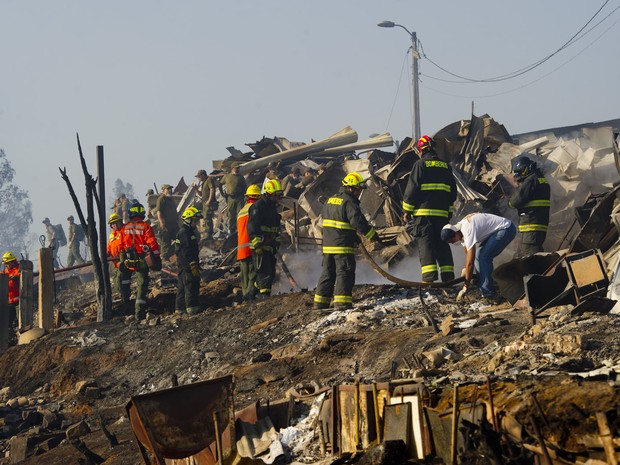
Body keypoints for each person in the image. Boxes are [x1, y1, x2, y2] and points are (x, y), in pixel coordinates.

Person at [314, 172, 382, 310]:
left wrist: (352, 235)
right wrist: (373, 236)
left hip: (327, 246)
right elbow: (359, 222)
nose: (359, 193)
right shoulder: (349, 202)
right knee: (345, 273)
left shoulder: (330, 200)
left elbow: (335, 222)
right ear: (350, 188)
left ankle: (320, 303)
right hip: (342, 246)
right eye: (358, 190)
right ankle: (342, 303)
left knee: (328, 273)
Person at [402, 135, 457, 283]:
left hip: (423, 216)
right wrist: (449, 212)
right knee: (442, 245)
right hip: (442, 216)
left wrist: (407, 210)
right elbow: (452, 193)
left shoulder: (420, 165)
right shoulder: (446, 166)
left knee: (426, 246)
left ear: (421, 150)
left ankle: (429, 280)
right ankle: (448, 279)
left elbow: (412, 190)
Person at [441, 212, 516, 302]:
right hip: (497, 231)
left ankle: (489, 294)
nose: (453, 243)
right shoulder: (460, 231)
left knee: (484, 257)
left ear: (456, 233)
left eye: (452, 240)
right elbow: (468, 252)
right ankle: (482, 284)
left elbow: (470, 263)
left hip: (506, 228)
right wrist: (465, 268)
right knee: (478, 255)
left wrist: (465, 286)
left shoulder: (467, 229)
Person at [121, 202, 161, 320]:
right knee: (142, 286)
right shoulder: (145, 227)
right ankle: (139, 313)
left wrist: (122, 262)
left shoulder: (125, 228)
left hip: (127, 260)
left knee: (124, 283)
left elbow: (121, 246)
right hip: (141, 260)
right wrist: (157, 257)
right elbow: (152, 244)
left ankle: (125, 307)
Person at [247, 179, 283, 298]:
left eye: (278, 195)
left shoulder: (272, 207)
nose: (277, 198)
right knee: (263, 273)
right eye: (275, 195)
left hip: (270, 245)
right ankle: (264, 298)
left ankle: (250, 295)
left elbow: (275, 228)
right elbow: (253, 227)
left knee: (271, 273)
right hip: (260, 246)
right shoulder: (258, 207)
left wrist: (277, 242)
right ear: (268, 193)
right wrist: (257, 244)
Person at [508, 156, 551, 255]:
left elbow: (515, 201)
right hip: (538, 225)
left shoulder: (531, 180)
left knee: (531, 256)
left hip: (530, 226)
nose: (519, 175)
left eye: (520, 172)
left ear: (526, 169)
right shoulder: (542, 180)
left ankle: (542, 270)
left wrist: (509, 201)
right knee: (520, 256)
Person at [173, 207, 203, 315]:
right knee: (191, 285)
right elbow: (186, 250)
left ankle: (180, 310)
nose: (196, 223)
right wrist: (192, 264)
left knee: (182, 288)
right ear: (188, 220)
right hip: (187, 265)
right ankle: (192, 308)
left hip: (183, 265)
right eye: (195, 221)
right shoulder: (185, 232)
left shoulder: (186, 231)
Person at [237, 185, 261, 301]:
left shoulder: (242, 210)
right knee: (253, 275)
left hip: (241, 249)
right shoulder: (255, 208)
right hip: (252, 246)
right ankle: (250, 299)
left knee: (245, 277)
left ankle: (245, 297)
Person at [107, 213, 131, 312]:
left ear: (120, 221)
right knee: (118, 282)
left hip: (125, 262)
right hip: (116, 264)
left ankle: (126, 300)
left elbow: (127, 245)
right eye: (112, 224)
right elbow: (109, 248)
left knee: (122, 280)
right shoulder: (112, 235)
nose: (114, 225)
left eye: (115, 222)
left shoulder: (125, 231)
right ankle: (124, 298)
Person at [221, 162, 247, 235]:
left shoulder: (241, 177)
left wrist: (245, 196)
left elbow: (245, 187)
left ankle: (240, 229)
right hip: (230, 198)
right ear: (232, 168)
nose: (237, 169)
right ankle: (231, 230)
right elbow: (220, 184)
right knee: (231, 214)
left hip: (239, 197)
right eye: (236, 168)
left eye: (238, 168)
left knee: (240, 213)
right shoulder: (227, 177)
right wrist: (222, 194)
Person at [155, 184, 179, 261]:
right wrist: (162, 223)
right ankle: (164, 260)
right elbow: (159, 212)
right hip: (166, 225)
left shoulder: (171, 199)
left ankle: (173, 254)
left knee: (180, 238)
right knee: (165, 243)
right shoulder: (161, 199)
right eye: (168, 189)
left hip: (174, 225)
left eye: (170, 189)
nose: (170, 190)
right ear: (163, 190)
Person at [196, 169, 219, 240]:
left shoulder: (209, 180)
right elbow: (201, 194)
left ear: (203, 175)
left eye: (199, 176)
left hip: (209, 203)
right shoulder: (203, 183)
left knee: (207, 218)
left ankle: (209, 234)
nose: (198, 178)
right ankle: (208, 234)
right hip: (205, 203)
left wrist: (209, 200)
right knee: (206, 218)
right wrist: (196, 189)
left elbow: (212, 189)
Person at [2, 252, 20, 334]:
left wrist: (14, 278)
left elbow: (20, 276)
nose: (6, 265)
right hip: (9, 302)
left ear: (12, 262)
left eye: (7, 263)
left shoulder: (18, 270)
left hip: (18, 302)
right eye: (5, 264)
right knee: (7, 323)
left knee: (21, 320)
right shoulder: (5, 271)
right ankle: (11, 337)